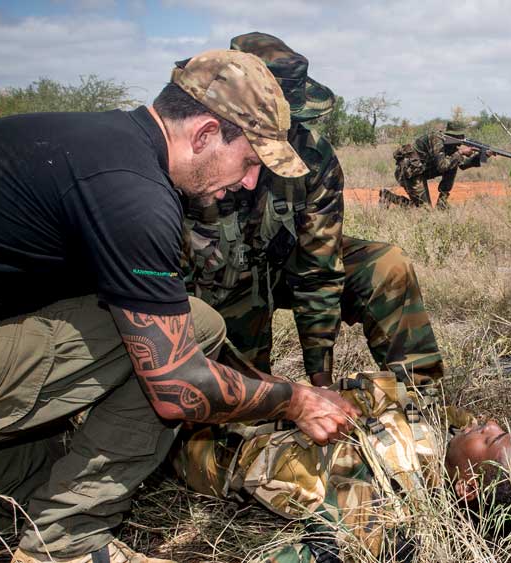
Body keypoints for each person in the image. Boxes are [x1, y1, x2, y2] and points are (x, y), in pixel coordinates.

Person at [0, 50, 360, 563]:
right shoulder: (132, 194)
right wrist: (295, 401)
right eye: (248, 160)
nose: (249, 182)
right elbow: (176, 388)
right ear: (206, 132)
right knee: (198, 326)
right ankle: (67, 546)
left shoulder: (89, 142)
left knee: (30, 499)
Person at [185, 32, 445, 392]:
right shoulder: (189, 152)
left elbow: (318, 268)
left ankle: (422, 401)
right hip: (214, 286)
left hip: (285, 262)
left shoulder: (313, 155)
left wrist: (320, 378)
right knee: (244, 406)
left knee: (387, 264)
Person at [171, 370, 511, 563]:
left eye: (491, 438)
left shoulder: (375, 512)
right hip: (269, 399)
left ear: (468, 488)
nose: (490, 424)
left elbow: (310, 554)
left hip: (205, 438)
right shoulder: (456, 446)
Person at [382, 122, 491, 210]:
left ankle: (441, 203)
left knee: (453, 163)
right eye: (460, 137)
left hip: (423, 170)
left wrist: (483, 156)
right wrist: (461, 153)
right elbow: (442, 166)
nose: (462, 140)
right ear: (451, 135)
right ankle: (389, 197)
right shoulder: (436, 139)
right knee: (423, 212)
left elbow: (462, 164)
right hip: (410, 174)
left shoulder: (451, 144)